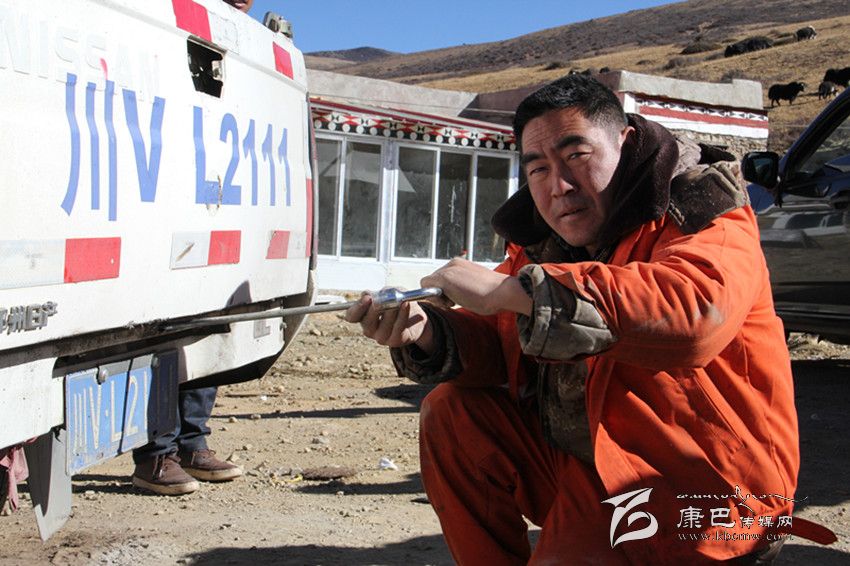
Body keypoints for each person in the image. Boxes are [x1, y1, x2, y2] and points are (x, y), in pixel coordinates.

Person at [345, 75, 831, 564]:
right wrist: (426, 331)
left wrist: (513, 291)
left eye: (577, 155)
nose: (559, 186)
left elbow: (694, 315)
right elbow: (502, 340)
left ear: (625, 142)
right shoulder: (543, 241)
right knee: (452, 412)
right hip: (594, 466)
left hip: (706, 487)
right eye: (538, 168)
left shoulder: (704, 210)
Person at [132, 0, 253, 497]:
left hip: (208, 207)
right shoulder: (166, 22)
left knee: (204, 331)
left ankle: (190, 442)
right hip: (163, 208)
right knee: (163, 334)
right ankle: (156, 452)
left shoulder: (232, 46)